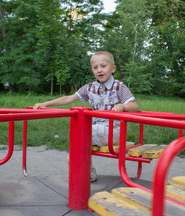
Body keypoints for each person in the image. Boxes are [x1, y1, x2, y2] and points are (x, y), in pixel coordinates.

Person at [33, 51, 139, 182]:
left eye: (103, 66)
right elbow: (69, 98)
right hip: (95, 129)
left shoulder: (119, 86)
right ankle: (88, 170)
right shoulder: (90, 87)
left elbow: (134, 106)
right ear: (92, 70)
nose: (99, 70)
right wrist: (46, 104)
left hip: (114, 131)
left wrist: (123, 106)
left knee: (80, 137)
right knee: (81, 134)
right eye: (95, 67)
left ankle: (83, 167)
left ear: (113, 68)